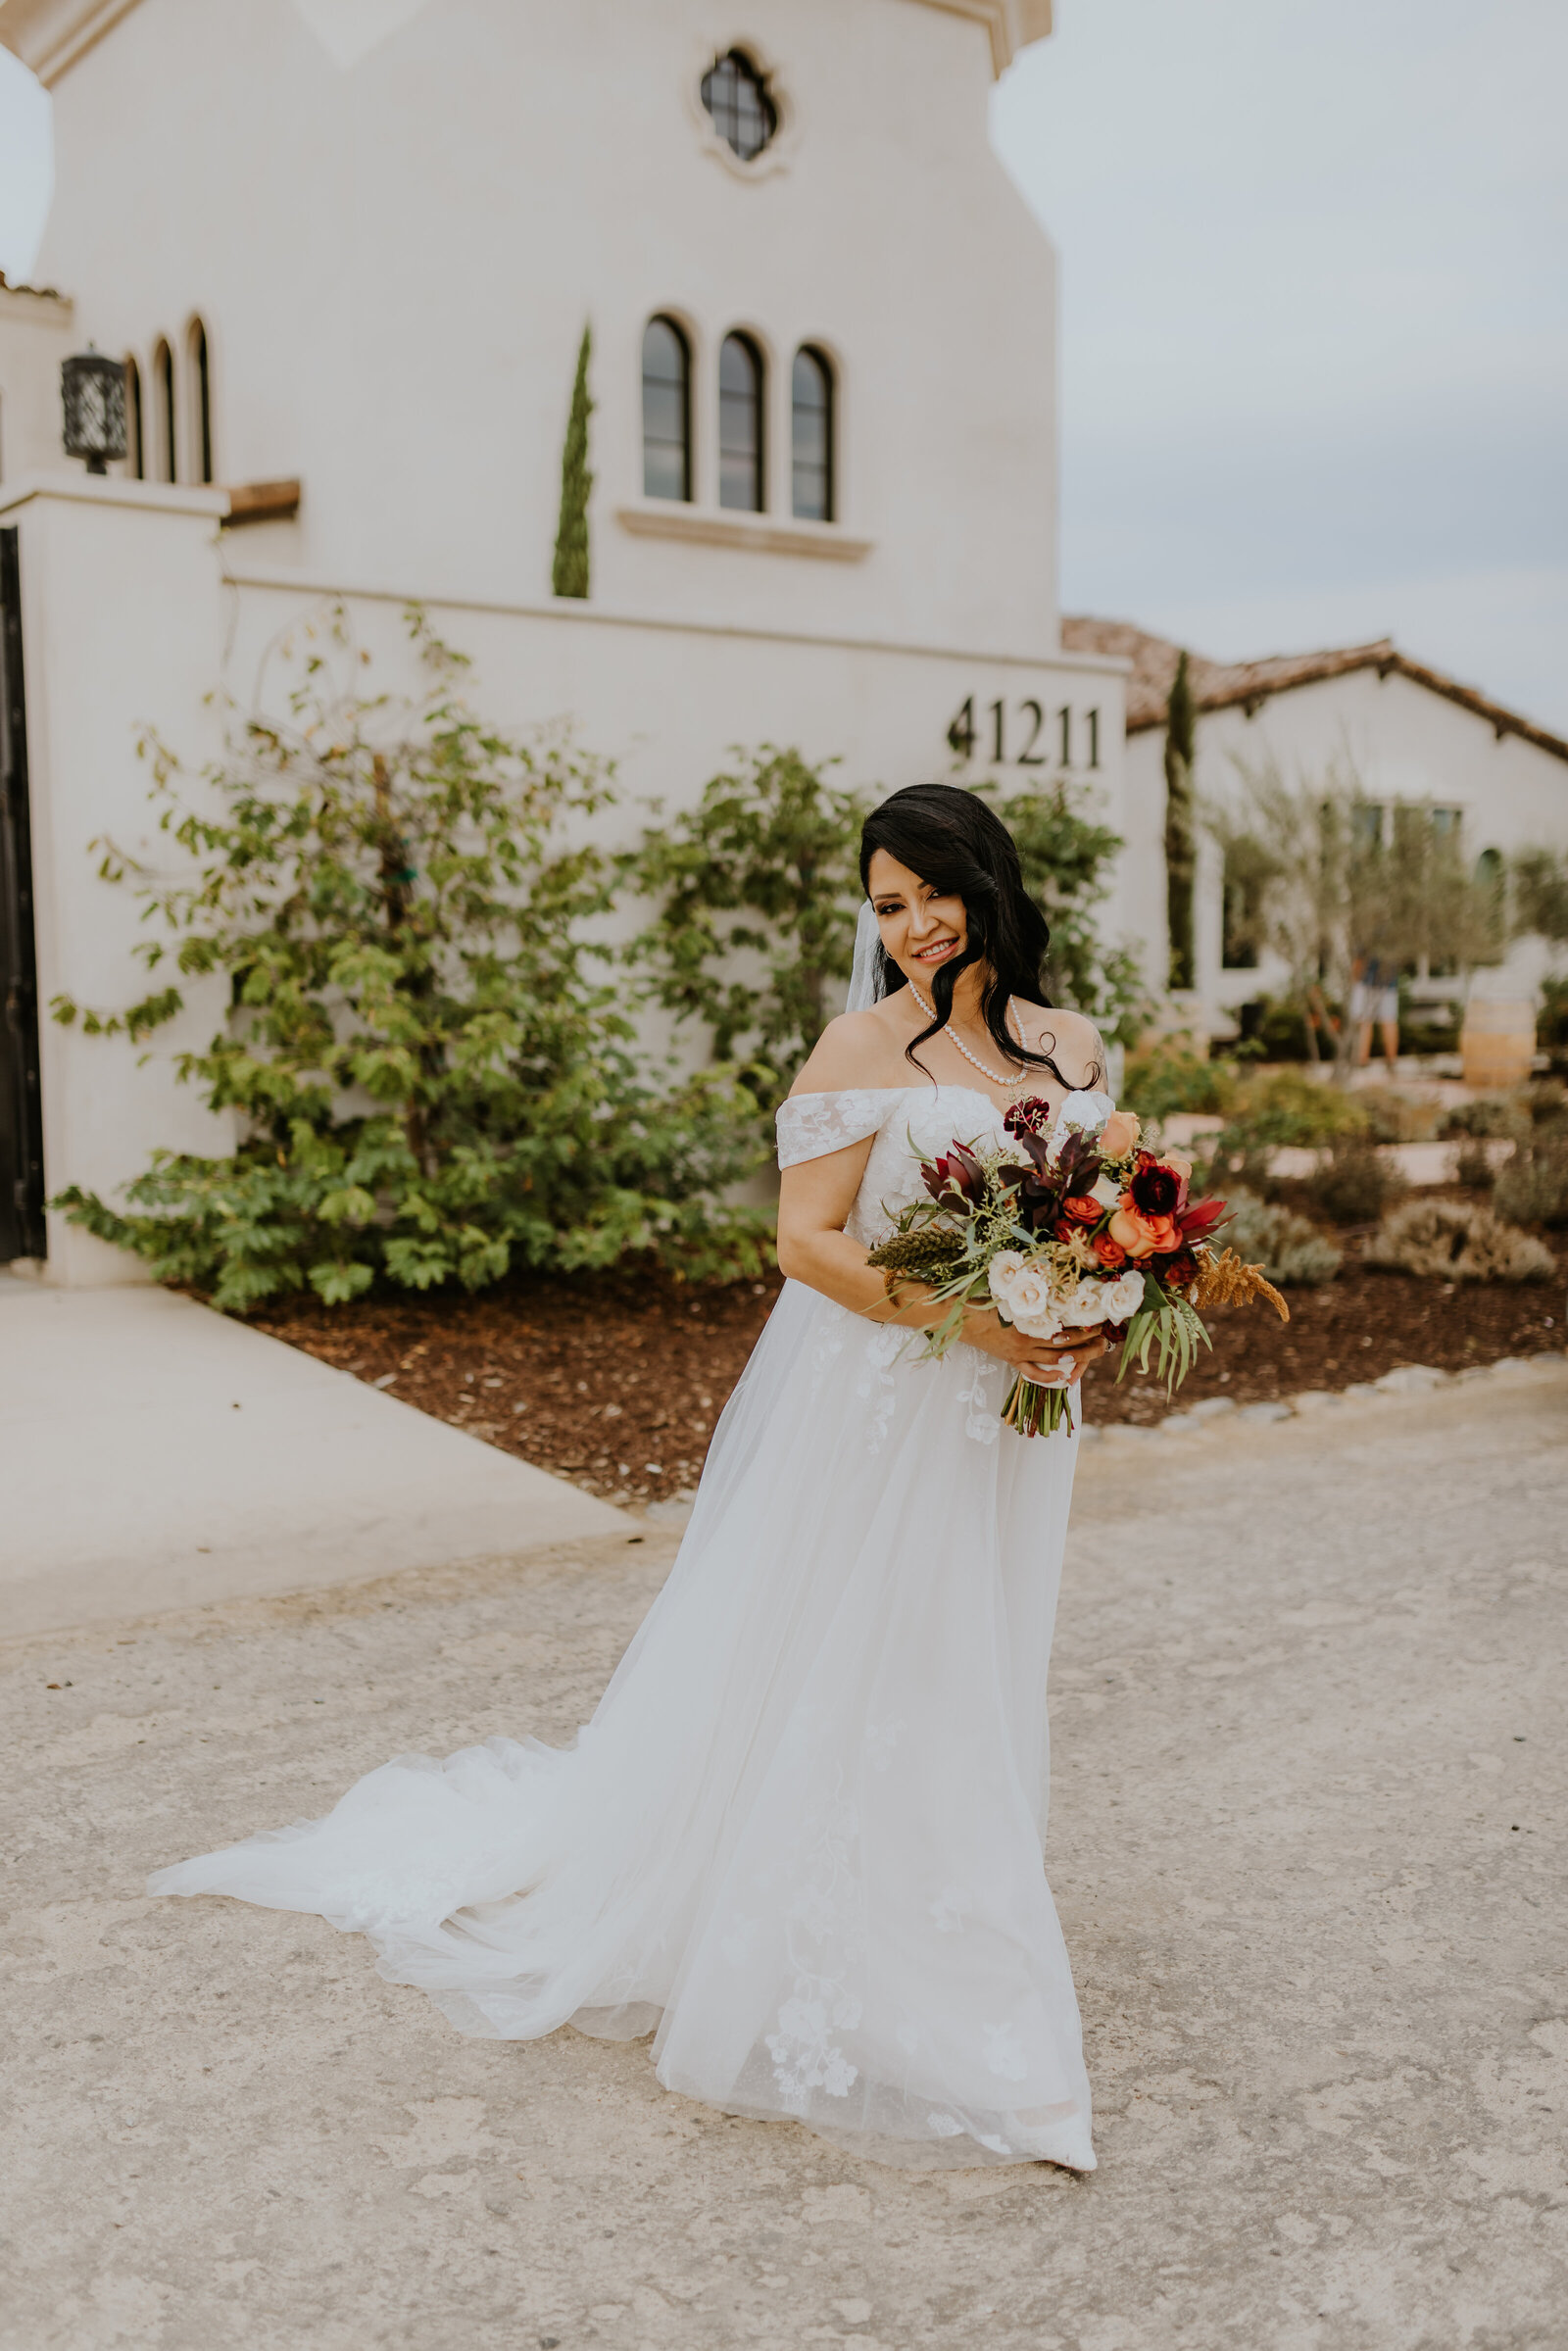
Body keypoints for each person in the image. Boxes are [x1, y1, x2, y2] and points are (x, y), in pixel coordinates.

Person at [149, 783, 1110, 2174]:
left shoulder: (1069, 1043)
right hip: (895, 1399)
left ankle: (944, 1885)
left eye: (930, 894)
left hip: (1018, 1399)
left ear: (989, 882)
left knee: (982, 1641)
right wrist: (975, 1314)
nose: (909, 926)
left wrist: (1090, 1304)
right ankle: (931, 1966)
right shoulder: (859, 1044)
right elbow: (807, 1242)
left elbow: (1100, 1193)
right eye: (885, 902)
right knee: (892, 1651)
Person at [1349, 954, 1399, 1076]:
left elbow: (1360, 956)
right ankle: (1391, 1062)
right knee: (1389, 1021)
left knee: (1365, 1022)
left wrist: (1354, 977)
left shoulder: (1367, 934)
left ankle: (1362, 1060)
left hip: (1367, 982)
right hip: (1389, 983)